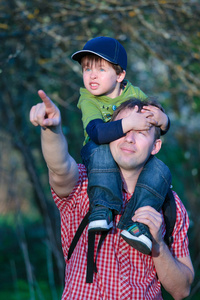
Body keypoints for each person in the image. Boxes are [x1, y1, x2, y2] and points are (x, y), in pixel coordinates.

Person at [30, 94, 194, 300]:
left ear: (155, 146)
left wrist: (158, 243)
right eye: (124, 128)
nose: (129, 138)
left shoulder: (171, 203)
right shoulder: (83, 183)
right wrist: (52, 130)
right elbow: (59, 167)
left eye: (141, 132)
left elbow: (182, 290)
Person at [71, 36, 171, 254]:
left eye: (101, 69)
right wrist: (129, 123)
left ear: (120, 75)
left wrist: (163, 121)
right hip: (97, 153)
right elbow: (96, 133)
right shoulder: (88, 98)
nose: (92, 75)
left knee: (161, 170)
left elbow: (155, 121)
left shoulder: (134, 93)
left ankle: (138, 225)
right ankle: (102, 209)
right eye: (87, 69)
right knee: (103, 151)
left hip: (127, 155)